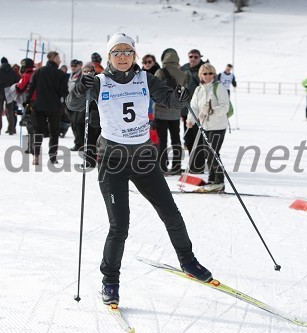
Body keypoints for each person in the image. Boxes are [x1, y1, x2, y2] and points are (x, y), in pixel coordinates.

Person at [75, 32, 213, 305]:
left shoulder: (145, 79)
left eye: (127, 51)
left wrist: (181, 97)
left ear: (135, 55)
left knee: (171, 213)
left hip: (144, 160)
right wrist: (82, 86)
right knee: (119, 227)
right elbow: (74, 105)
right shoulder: (100, 82)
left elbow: (169, 101)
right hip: (112, 161)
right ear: (109, 56)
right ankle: (110, 280)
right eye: (117, 52)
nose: (122, 56)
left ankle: (188, 261)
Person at [187, 63, 230, 191]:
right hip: (205, 126)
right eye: (205, 73)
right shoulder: (199, 89)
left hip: (218, 126)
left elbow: (225, 107)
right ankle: (212, 180)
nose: (207, 76)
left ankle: (219, 181)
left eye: (210, 73)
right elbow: (194, 106)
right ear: (200, 75)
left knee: (213, 154)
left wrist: (211, 110)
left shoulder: (219, 87)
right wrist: (191, 120)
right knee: (208, 153)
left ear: (214, 74)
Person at [27, 51, 68, 165]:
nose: (60, 61)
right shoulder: (61, 74)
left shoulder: (39, 71)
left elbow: (31, 88)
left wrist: (27, 102)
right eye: (59, 58)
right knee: (54, 132)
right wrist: (66, 104)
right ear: (54, 58)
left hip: (39, 106)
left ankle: (36, 155)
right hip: (55, 107)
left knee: (38, 131)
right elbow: (64, 92)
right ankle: (53, 157)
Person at [154, 48, 187, 175]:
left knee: (162, 140)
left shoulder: (160, 72)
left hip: (161, 112)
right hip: (175, 112)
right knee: (176, 139)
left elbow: (155, 91)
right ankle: (177, 166)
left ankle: (162, 166)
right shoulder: (181, 73)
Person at [67, 62, 101, 167]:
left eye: (89, 71)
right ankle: (87, 158)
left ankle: (91, 160)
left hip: (93, 116)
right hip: (81, 115)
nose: (87, 73)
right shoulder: (80, 80)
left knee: (91, 139)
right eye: (85, 71)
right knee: (83, 138)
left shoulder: (96, 81)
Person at [181, 49, 207, 173]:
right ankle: (193, 163)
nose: (193, 58)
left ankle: (199, 165)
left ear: (199, 57)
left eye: (196, 57)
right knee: (189, 139)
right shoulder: (184, 69)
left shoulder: (205, 70)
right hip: (186, 109)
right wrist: (182, 113)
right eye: (191, 56)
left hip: (199, 110)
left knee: (199, 138)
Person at [0, 57, 18, 135]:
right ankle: (11, 130)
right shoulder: (13, 72)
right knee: (10, 111)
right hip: (9, 92)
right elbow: (17, 82)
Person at [67, 59, 84, 151]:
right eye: (72, 66)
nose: (73, 67)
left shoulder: (81, 75)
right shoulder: (70, 76)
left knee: (78, 124)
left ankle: (80, 143)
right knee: (73, 124)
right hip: (71, 102)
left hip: (79, 103)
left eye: (75, 66)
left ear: (79, 66)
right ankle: (78, 142)